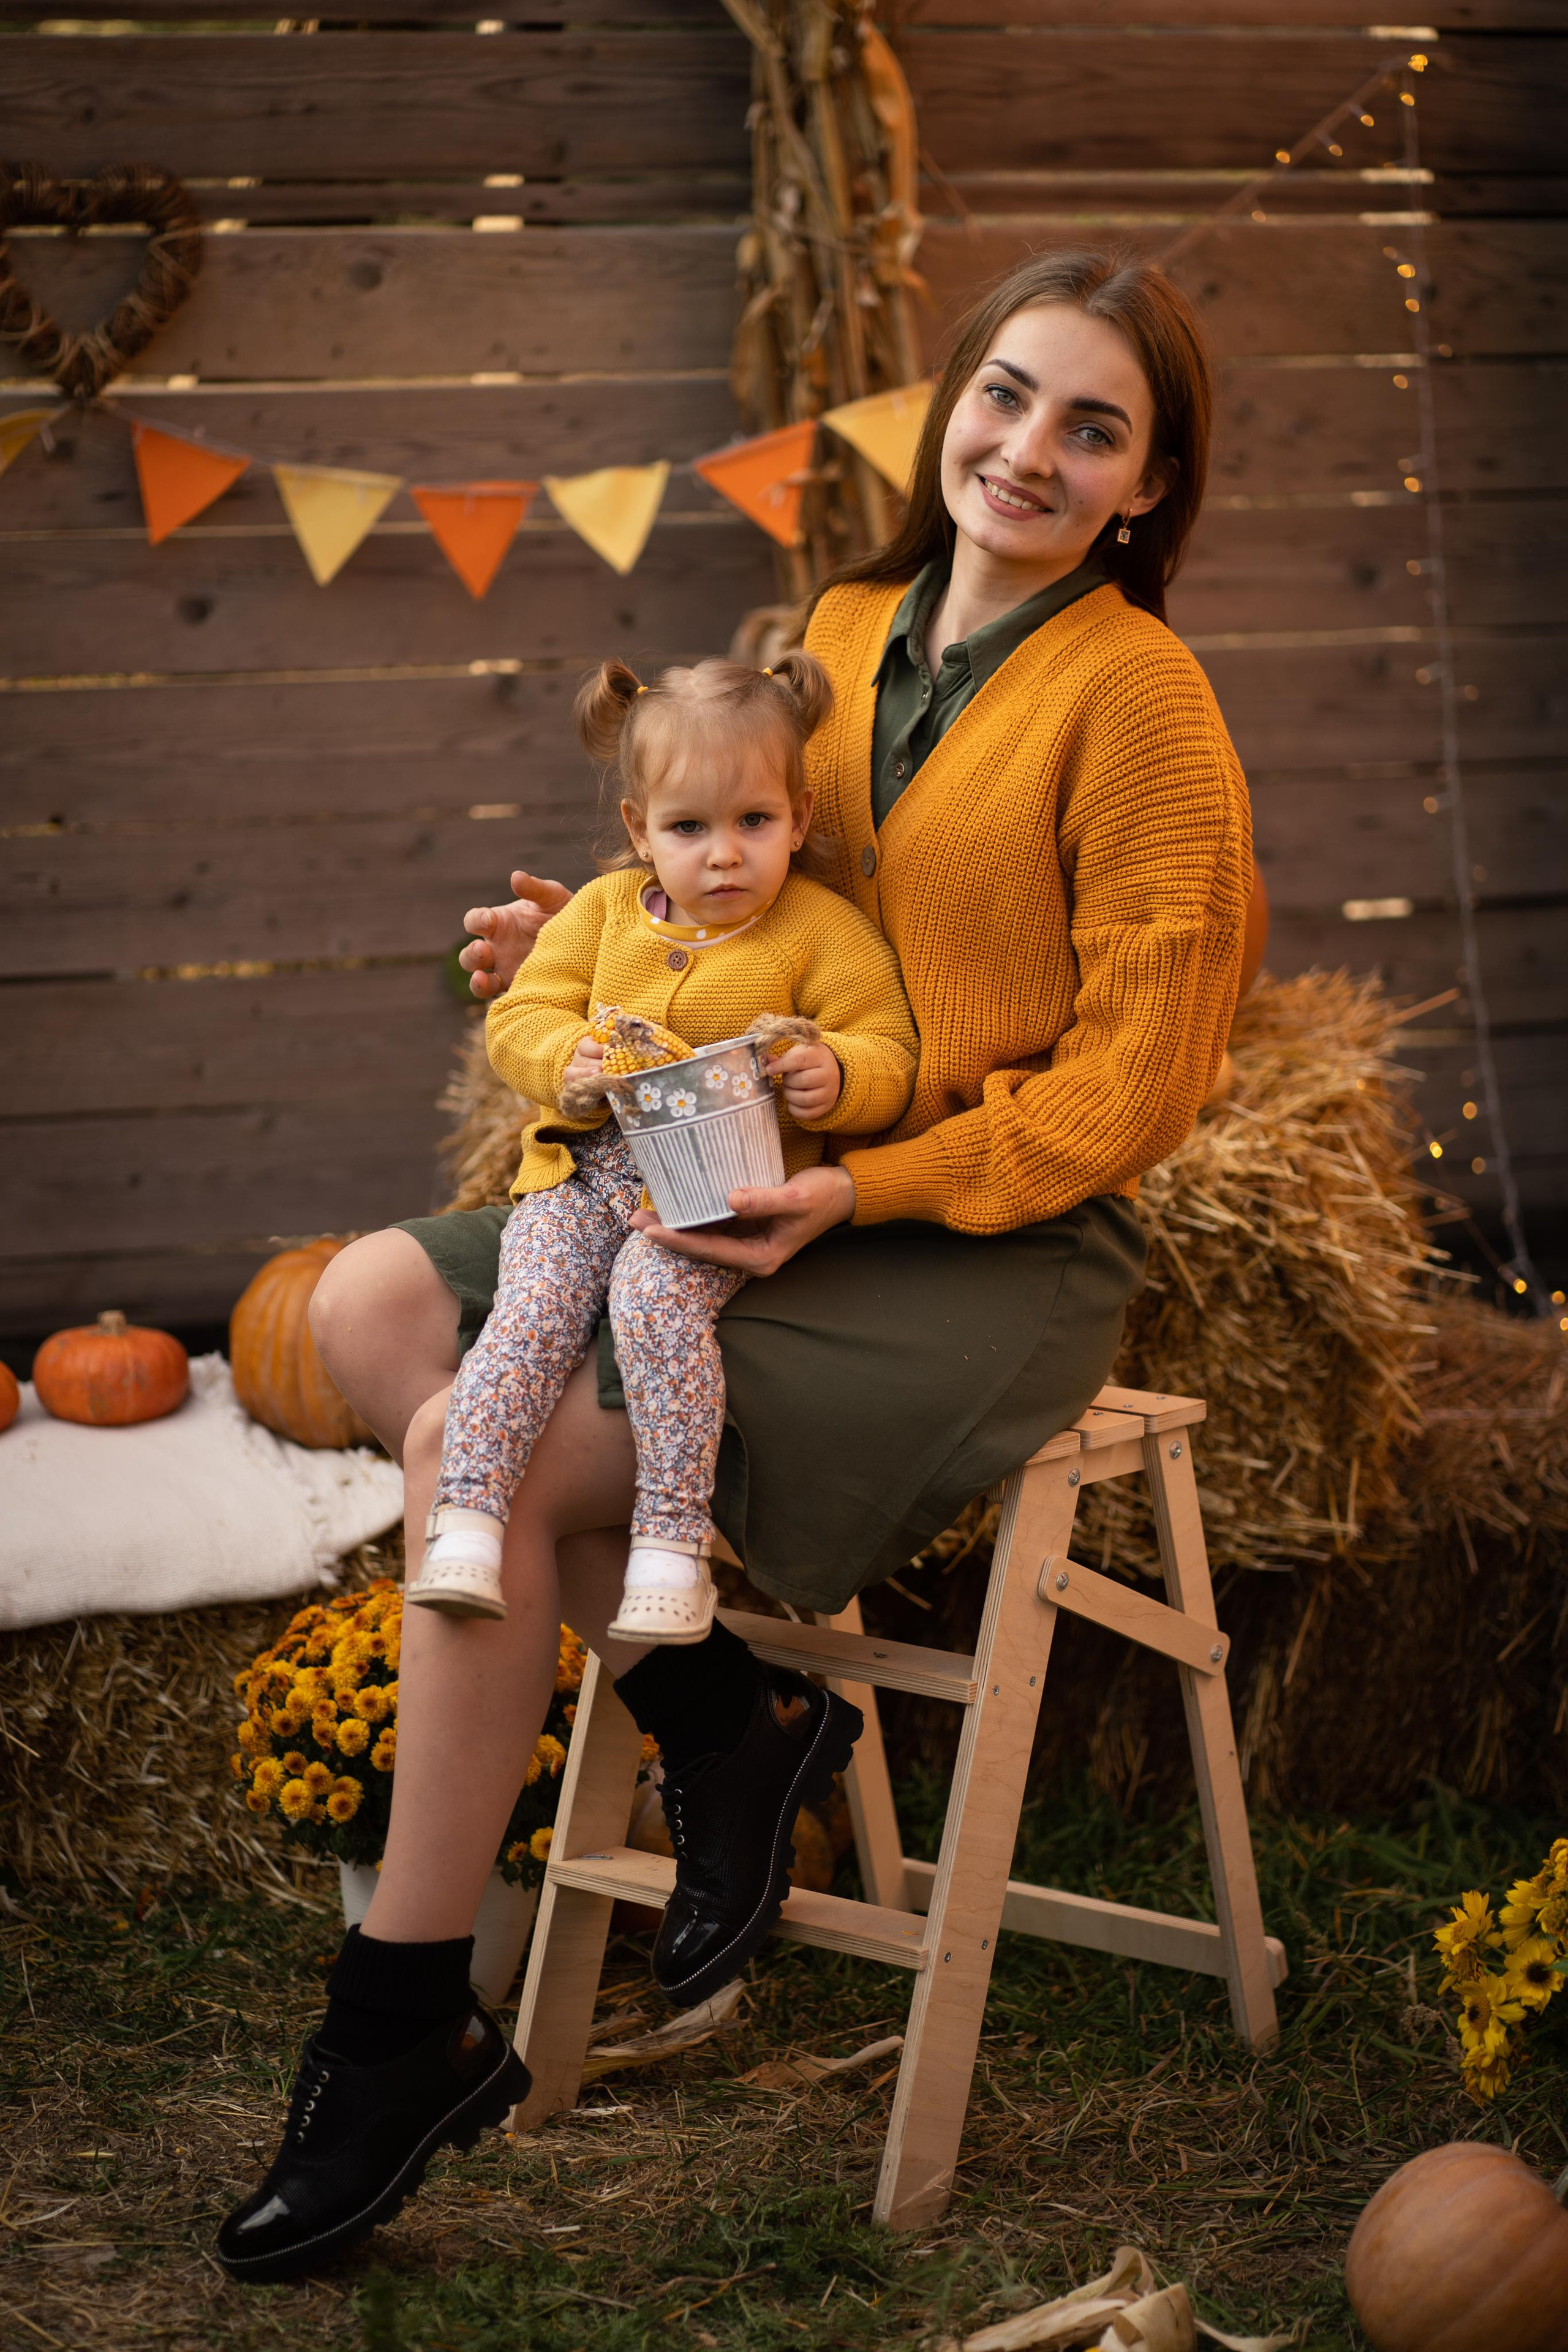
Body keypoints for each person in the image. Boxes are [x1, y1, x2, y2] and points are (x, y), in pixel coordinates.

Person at [217, 244, 1252, 2283]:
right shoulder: (850, 631)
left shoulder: (1143, 702)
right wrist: (616, 933)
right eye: (1006, 394)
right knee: (361, 1309)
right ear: (951, 403)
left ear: (1147, 485)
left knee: (484, 1458)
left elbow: (1141, 1082)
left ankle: (400, 2024)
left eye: (1092, 427)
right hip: (736, 1168)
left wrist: (868, 1192)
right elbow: (776, 893)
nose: (1028, 449)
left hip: (979, 1233)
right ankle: (722, 1720)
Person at [407, 651, 917, 1640]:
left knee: (653, 1303)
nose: (724, 856)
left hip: (717, 1194)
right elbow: (524, 1013)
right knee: (534, 1304)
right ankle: (467, 1517)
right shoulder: (601, 916)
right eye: (690, 829)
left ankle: (672, 1548)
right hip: (584, 1174)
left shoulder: (823, 933)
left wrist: (839, 1074)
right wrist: (564, 1057)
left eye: (753, 822)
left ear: (800, 818)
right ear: (641, 829)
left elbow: (887, 1045)